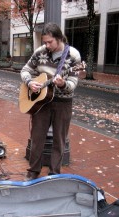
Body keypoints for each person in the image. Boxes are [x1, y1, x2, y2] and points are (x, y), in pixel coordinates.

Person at [20, 23, 81, 180]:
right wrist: (29, 83)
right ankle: (33, 172)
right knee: (37, 138)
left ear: (59, 38)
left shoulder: (73, 55)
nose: (46, 45)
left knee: (59, 140)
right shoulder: (41, 52)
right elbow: (26, 70)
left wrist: (63, 84)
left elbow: (73, 85)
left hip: (63, 103)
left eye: (50, 42)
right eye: (45, 42)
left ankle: (54, 174)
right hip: (41, 103)